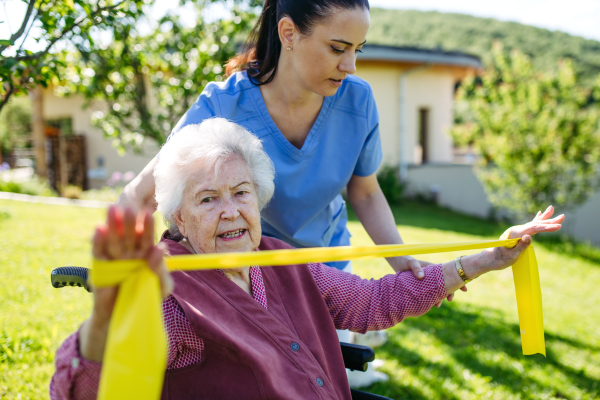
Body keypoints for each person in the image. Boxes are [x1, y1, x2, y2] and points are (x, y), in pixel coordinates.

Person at [50, 119, 564, 399]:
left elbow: (371, 303)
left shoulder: (279, 259)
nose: (230, 211)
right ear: (178, 219)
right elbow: (98, 387)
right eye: (207, 199)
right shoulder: (170, 292)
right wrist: (107, 319)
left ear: (260, 198)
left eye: (241, 192)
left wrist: (489, 257)